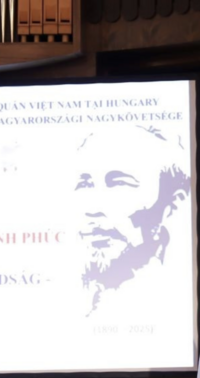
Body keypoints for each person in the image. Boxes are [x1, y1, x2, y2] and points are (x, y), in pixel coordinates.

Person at [74, 125, 191, 315]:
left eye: (119, 183)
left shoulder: (179, 297)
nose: (93, 208)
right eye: (85, 183)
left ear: (173, 201)